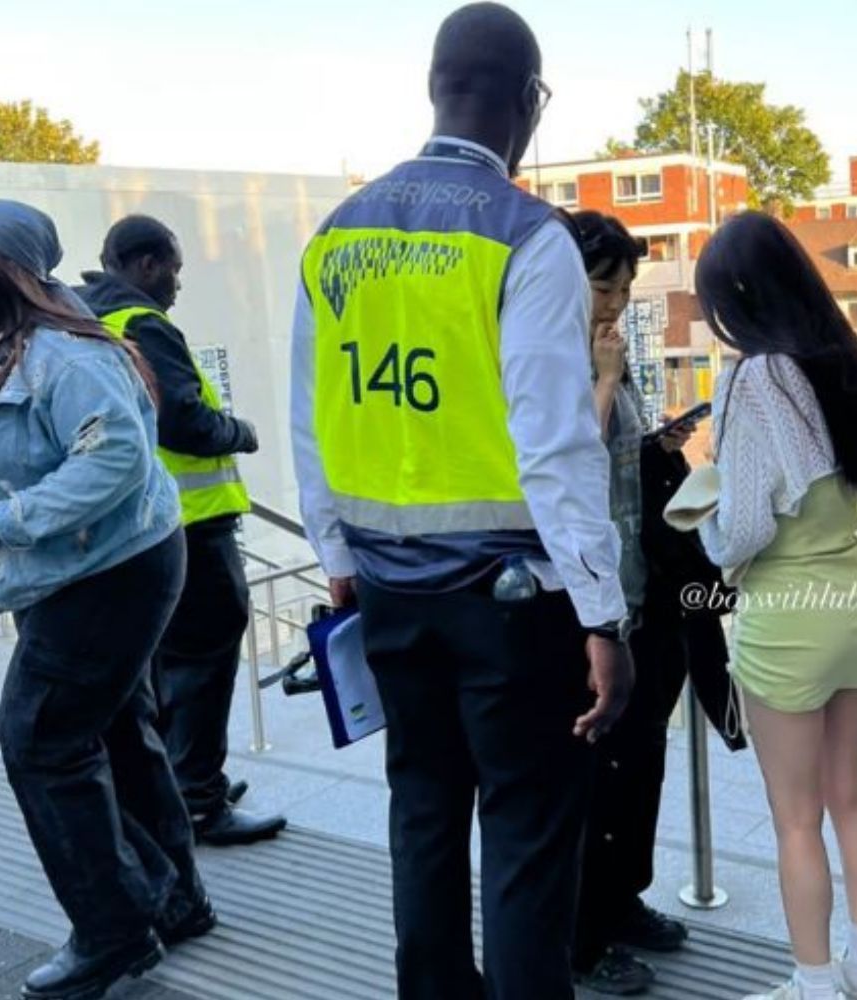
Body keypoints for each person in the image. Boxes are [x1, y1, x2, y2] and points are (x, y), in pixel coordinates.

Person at [291, 6, 634, 999]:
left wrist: (338, 559)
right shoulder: (528, 239)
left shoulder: (335, 236)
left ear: (435, 86)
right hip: (514, 604)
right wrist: (603, 615)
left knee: (424, 812)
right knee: (526, 837)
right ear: (529, 102)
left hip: (385, 594)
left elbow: (310, 419)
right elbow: (556, 444)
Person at [691, 211, 857, 1000]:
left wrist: (704, 519)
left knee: (795, 818)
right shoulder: (842, 362)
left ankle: (813, 982)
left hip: (786, 614)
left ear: (742, 300)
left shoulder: (754, 378)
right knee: (850, 794)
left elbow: (745, 529)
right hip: (851, 604)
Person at [0, 201, 215, 1000]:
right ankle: (175, 899)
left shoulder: (62, 352)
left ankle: (115, 933)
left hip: (110, 572)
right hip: (99, 566)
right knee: (116, 728)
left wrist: (12, 521)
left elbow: (116, 452)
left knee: (41, 738)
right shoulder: (21, 342)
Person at [571, 210, 747, 996]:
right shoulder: (547, 353)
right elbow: (567, 465)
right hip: (592, 602)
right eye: (604, 285)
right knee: (596, 778)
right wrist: (605, 383)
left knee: (641, 762)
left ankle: (623, 898)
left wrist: (654, 446)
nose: (614, 301)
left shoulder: (610, 350)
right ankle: (584, 932)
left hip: (645, 591)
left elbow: (617, 460)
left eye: (624, 287)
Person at [77, 215, 286, 846]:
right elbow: (186, 422)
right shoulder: (143, 324)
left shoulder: (88, 318)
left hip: (142, 529)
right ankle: (199, 799)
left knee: (167, 665)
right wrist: (240, 433)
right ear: (144, 266)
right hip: (193, 525)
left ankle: (179, 782)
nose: (177, 282)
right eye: (173, 267)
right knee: (204, 661)